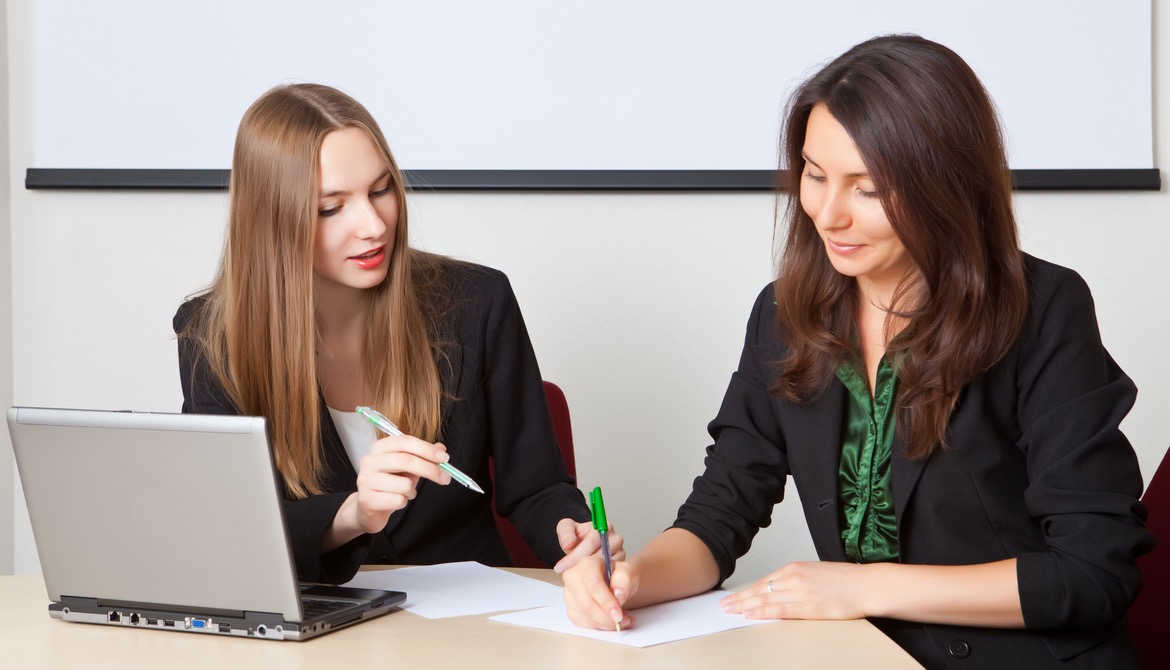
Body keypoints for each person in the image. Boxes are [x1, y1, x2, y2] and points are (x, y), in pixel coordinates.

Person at [561, 35, 1153, 668]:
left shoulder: (1043, 309)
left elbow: (1093, 572)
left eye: (867, 190)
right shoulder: (786, 313)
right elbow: (720, 510)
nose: (827, 215)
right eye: (815, 177)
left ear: (946, 185)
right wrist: (631, 580)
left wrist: (863, 587)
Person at [175, 83, 620, 584]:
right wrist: (354, 514)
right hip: (314, 628)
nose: (373, 225)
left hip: (468, 624)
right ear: (272, 222)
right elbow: (232, 531)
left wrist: (574, 534)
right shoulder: (211, 338)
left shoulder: (478, 302)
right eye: (330, 207)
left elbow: (538, 488)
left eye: (381, 190)